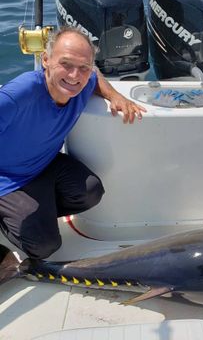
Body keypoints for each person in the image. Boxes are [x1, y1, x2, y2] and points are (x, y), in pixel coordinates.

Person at [0, 26, 146, 259]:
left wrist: (115, 96)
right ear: (46, 60)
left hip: (43, 164)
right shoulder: (20, 94)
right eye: (65, 64)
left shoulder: (84, 82)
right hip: (6, 178)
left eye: (83, 68)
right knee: (43, 246)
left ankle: (38, 211)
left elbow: (96, 76)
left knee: (91, 191)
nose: (74, 76)